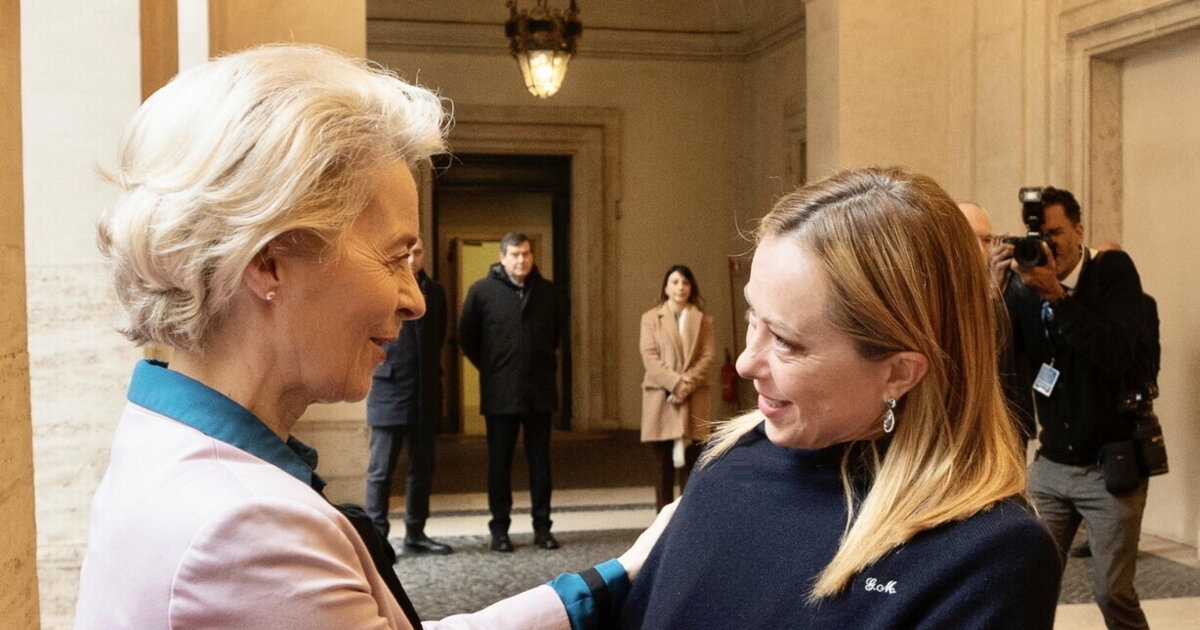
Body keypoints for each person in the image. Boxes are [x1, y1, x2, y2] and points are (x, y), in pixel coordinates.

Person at [73, 44, 674, 630]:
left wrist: (609, 579)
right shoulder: (243, 530)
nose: (414, 300)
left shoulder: (170, 443)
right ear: (268, 263)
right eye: (394, 259)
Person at [621, 167, 1061, 629]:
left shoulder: (987, 556)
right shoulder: (727, 462)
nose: (747, 363)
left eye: (787, 341)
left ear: (898, 373)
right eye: (754, 316)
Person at [994, 187, 1151, 629]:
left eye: (1056, 233)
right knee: (1027, 584)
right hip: (1051, 468)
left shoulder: (1113, 272)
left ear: (1079, 231)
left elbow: (1117, 354)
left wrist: (1057, 298)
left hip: (1111, 468)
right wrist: (992, 291)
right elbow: (997, 358)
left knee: (1112, 593)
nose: (1046, 246)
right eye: (1037, 236)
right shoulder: (1023, 287)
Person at [459, 233, 562, 552]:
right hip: (500, 394)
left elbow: (557, 335)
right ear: (502, 257)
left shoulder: (549, 293)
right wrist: (492, 368)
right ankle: (499, 530)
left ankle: (542, 528)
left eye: (527, 254)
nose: (522, 260)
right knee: (499, 465)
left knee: (540, 464)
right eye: (515, 255)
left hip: (539, 392)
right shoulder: (481, 292)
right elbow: (468, 338)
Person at [365, 236, 453, 555]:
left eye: (418, 253)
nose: (414, 259)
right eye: (408, 254)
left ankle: (416, 534)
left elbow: (439, 335)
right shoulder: (381, 288)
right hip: (388, 390)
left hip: (426, 392)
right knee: (381, 470)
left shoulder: (436, 292)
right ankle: (377, 537)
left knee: (422, 469)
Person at [958, 201, 1037, 445]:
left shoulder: (1013, 286)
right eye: (971, 238)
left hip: (1007, 426)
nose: (982, 249)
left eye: (988, 239)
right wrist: (992, 297)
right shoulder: (937, 290)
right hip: (961, 429)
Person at [638, 264, 716, 510]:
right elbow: (649, 355)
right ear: (665, 287)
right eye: (674, 282)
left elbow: (707, 356)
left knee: (692, 465)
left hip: (693, 397)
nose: (680, 287)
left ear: (691, 287)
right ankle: (661, 521)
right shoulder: (651, 318)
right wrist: (674, 384)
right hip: (661, 398)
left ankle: (687, 518)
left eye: (685, 283)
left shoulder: (703, 319)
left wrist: (685, 385)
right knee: (662, 466)